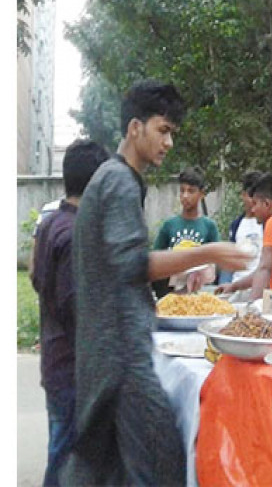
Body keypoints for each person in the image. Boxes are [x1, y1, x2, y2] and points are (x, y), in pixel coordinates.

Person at [64, 79, 251, 485]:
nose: (168, 143)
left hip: (114, 351)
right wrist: (211, 252)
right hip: (120, 358)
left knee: (109, 468)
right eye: (162, 130)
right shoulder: (116, 181)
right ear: (135, 128)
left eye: (172, 133)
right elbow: (132, 263)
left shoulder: (117, 180)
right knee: (159, 458)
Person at [30, 139, 109, 487]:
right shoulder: (77, 233)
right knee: (66, 461)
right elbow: (78, 310)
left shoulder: (50, 223)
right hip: (73, 369)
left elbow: (36, 277)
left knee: (61, 448)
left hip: (55, 360)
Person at [216, 172, 272, 301]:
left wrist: (251, 308)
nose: (253, 210)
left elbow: (264, 268)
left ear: (267, 204)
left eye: (255, 204)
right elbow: (262, 271)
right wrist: (234, 286)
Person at [151, 166, 221, 297]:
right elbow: (155, 258)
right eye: (182, 191)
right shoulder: (169, 225)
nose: (185, 196)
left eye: (191, 191)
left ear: (201, 194)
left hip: (200, 293)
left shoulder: (209, 226)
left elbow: (215, 261)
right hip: (171, 294)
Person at [219, 170, 264, 288]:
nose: (254, 201)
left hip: (258, 287)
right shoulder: (236, 225)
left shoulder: (268, 223)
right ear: (243, 195)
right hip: (236, 286)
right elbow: (229, 262)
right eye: (251, 196)